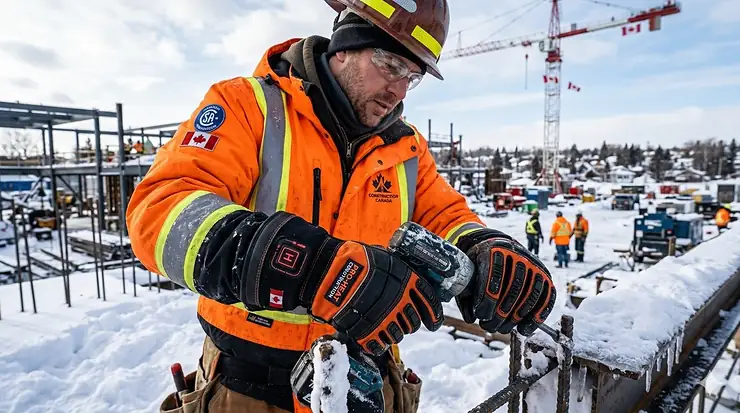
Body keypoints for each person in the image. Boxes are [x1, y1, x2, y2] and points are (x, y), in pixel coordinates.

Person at [127, 1, 557, 412]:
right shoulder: (248, 107)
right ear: (344, 46)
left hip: (368, 380)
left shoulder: (405, 148)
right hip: (250, 388)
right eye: (389, 65)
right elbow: (160, 212)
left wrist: (484, 246)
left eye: (413, 75)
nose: (398, 89)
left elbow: (445, 216)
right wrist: (312, 268)